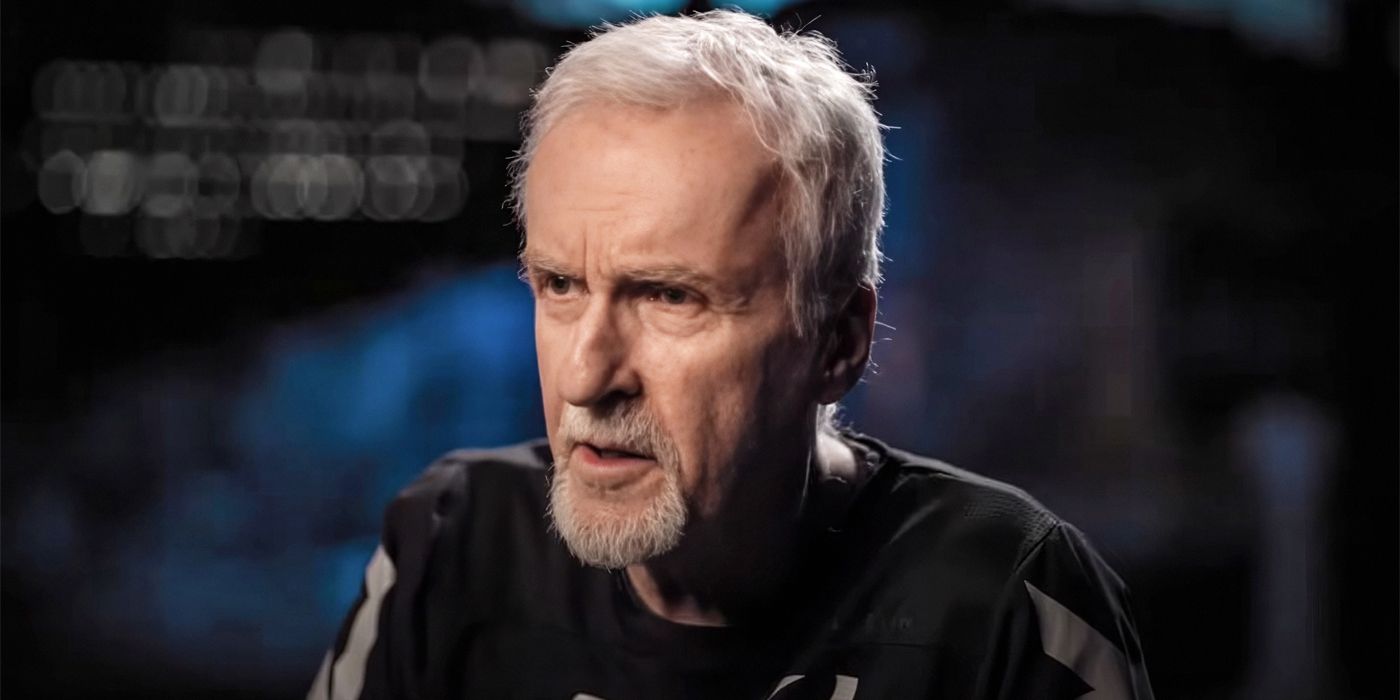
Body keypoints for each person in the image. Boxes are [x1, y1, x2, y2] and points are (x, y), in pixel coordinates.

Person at [309, 10, 1154, 700]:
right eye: (560, 285)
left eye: (670, 297)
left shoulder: (1007, 603)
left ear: (838, 342)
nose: (584, 377)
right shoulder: (448, 546)